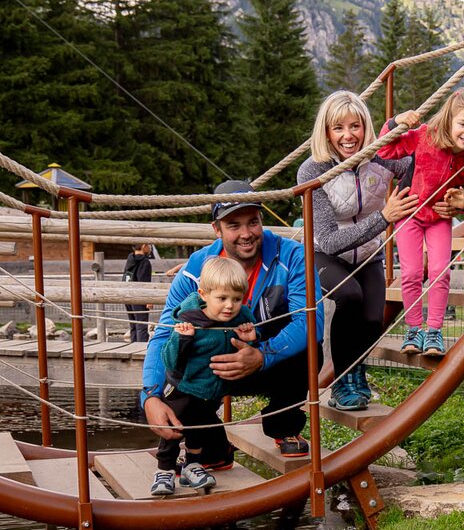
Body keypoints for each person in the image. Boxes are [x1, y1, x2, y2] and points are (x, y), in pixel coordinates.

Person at [140, 179, 325, 464]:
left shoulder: (293, 255)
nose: (246, 234)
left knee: (312, 348)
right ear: (216, 229)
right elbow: (165, 334)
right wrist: (150, 397)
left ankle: (284, 426)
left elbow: (309, 322)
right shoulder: (195, 269)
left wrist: (263, 356)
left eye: (253, 222)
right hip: (214, 367)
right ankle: (212, 446)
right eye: (234, 225)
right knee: (180, 352)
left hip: (269, 359)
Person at [297, 90, 419, 411]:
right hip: (325, 255)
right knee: (349, 297)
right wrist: (384, 217)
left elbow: (416, 161)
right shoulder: (313, 171)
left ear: (366, 127)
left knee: (373, 318)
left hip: (368, 254)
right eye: (338, 128)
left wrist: (395, 126)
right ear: (326, 131)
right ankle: (341, 383)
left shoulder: (379, 159)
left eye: (355, 126)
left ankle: (357, 374)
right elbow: (328, 240)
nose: (348, 136)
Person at [377, 89, 464, 356]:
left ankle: (434, 332)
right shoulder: (425, 136)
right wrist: (396, 123)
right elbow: (385, 149)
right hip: (409, 213)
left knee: (440, 271)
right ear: (449, 119)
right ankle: (413, 329)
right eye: (462, 124)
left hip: (439, 218)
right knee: (410, 273)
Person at [149, 259, 257, 496]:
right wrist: (183, 339)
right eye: (222, 299)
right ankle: (164, 470)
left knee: (199, 427)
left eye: (237, 299)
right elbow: (170, 360)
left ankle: (192, 466)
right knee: (174, 429)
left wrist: (251, 338)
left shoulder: (240, 317)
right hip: (182, 386)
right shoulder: (188, 319)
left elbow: (248, 337)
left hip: (210, 389)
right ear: (204, 294)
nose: (230, 306)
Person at [122, 241, 153, 342]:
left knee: (133, 324)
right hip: (139, 296)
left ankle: (133, 345)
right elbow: (144, 281)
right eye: (149, 246)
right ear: (144, 246)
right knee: (142, 324)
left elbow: (125, 276)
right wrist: (148, 299)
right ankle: (140, 348)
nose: (150, 248)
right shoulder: (145, 262)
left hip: (127, 294)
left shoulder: (130, 259)